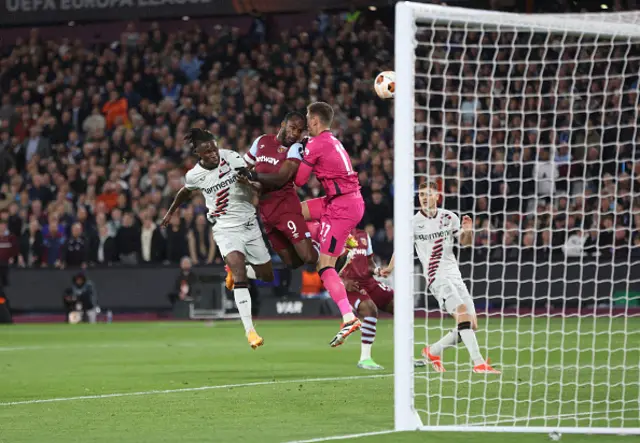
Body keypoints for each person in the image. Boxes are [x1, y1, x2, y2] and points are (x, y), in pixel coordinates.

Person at [239, 102, 364, 347]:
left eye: (307, 119)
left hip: (342, 206)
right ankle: (336, 240)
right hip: (337, 200)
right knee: (301, 210)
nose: (305, 125)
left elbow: (298, 178)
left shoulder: (314, 144)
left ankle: (348, 316)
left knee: (323, 266)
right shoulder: (330, 140)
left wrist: (302, 155)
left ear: (315, 121)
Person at [162, 128, 273, 350]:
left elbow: (255, 182)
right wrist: (171, 211)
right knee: (241, 274)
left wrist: (248, 183)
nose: (214, 153)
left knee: (266, 275)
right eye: (208, 151)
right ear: (199, 154)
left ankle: (233, 270)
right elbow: (185, 191)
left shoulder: (231, 157)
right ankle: (250, 331)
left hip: (249, 224)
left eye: (214, 148)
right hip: (225, 228)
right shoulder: (195, 175)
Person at [381, 181, 500, 374]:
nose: (424, 198)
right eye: (421, 195)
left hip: (455, 274)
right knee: (462, 313)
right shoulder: (413, 223)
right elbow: (401, 249)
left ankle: (433, 351)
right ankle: (478, 363)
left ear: (437, 196)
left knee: (471, 324)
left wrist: (468, 231)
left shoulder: (449, 217)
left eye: (428, 194)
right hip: (436, 277)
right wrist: (390, 268)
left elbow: (465, 244)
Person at [241, 112, 317, 272]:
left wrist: (252, 175)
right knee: (292, 263)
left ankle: (334, 252)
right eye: (292, 128)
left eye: (299, 130)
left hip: (285, 208)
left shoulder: (296, 148)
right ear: (283, 124)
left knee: (309, 258)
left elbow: (281, 178)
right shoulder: (262, 141)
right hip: (266, 213)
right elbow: (243, 166)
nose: (295, 133)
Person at [341, 228, 394, 370]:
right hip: (351, 285)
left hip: (369, 281)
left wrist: (377, 271)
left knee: (400, 306)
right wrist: (343, 282)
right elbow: (324, 265)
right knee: (370, 309)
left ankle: (407, 356)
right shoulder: (335, 233)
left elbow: (369, 263)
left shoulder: (363, 235)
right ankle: (365, 359)